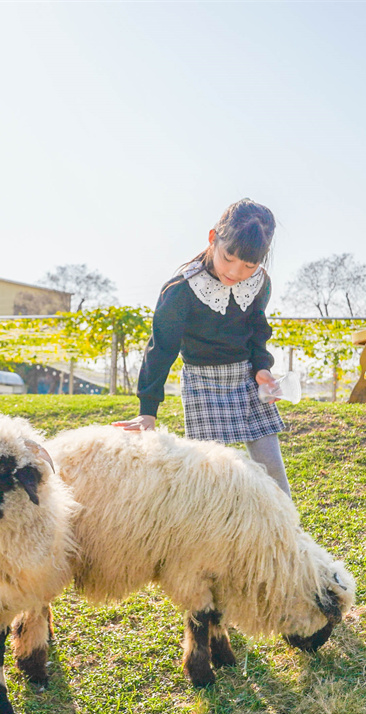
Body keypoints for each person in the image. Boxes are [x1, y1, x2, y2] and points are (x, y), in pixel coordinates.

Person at [112, 199, 290, 496]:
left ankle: (288, 537)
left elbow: (257, 331)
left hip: (245, 378)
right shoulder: (181, 290)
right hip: (202, 383)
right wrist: (147, 412)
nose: (235, 272)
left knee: (272, 471)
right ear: (213, 238)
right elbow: (161, 349)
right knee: (212, 477)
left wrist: (262, 369)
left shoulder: (259, 283)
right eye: (228, 258)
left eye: (249, 264)